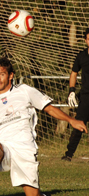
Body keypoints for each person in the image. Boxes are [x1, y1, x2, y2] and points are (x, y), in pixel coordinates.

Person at [0, 57, 87, 196]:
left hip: (24, 147)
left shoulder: (24, 91)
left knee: (33, 194)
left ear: (11, 76)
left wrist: (71, 120)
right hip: (3, 145)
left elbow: (49, 108)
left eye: (1, 74)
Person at [61, 28, 89, 162]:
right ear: (85, 40)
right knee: (79, 125)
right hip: (86, 97)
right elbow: (74, 73)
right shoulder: (81, 56)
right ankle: (69, 154)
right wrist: (72, 90)